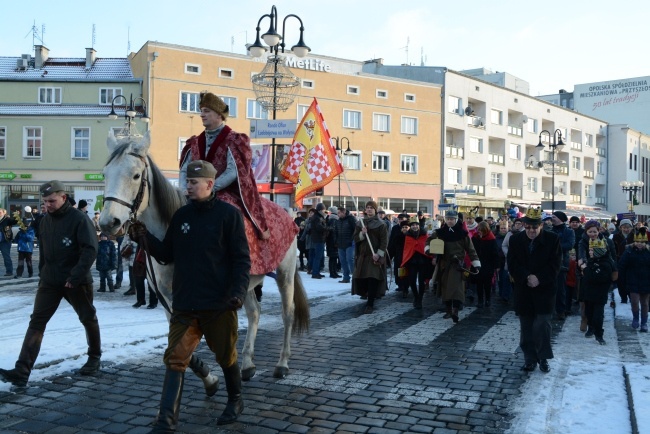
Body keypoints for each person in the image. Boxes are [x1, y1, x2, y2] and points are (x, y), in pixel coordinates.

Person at [130, 160, 250, 429]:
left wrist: (238, 292)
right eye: (187, 182)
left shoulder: (228, 216)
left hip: (218, 303)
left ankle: (235, 399)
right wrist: (144, 237)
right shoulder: (182, 217)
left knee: (226, 356)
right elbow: (167, 254)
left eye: (194, 183)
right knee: (175, 357)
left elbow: (242, 260)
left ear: (209, 184)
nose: (188, 187)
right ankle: (166, 420)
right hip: (185, 304)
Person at [0, 180, 100, 387]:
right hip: (50, 280)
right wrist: (43, 273)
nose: (48, 205)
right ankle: (22, 370)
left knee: (88, 318)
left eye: (52, 201)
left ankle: (94, 357)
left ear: (63, 198)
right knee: (36, 322)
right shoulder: (45, 220)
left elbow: (90, 249)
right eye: (45, 201)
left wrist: (75, 276)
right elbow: (44, 250)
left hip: (76, 281)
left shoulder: (79, 219)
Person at [179, 91, 269, 240]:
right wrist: (183, 189)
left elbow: (232, 171)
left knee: (231, 214)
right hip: (195, 191)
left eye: (206, 111)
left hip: (224, 191)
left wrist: (209, 189)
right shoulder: (194, 142)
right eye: (201, 111)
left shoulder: (234, 140)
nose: (202, 115)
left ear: (219, 115)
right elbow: (184, 170)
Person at [507, 207, 561, 374]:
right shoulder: (516, 240)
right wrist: (526, 277)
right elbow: (512, 264)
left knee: (542, 324)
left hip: (545, 289)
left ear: (541, 226)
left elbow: (555, 265)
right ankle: (529, 359)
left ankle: (543, 357)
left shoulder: (553, 239)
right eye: (528, 227)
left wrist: (539, 278)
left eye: (534, 228)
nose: (531, 231)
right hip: (524, 289)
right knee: (526, 326)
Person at [428, 209, 480, 323]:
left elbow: (471, 250)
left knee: (457, 288)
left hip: (458, 265)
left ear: (456, 220)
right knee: (445, 287)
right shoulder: (440, 232)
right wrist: (429, 250)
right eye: (448, 219)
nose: (450, 221)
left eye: (452, 219)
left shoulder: (463, 234)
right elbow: (429, 241)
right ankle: (448, 310)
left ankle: (455, 310)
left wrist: (476, 263)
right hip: (444, 264)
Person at [351, 201, 389, 314]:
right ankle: (366, 295)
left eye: (371, 208)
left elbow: (384, 241)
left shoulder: (381, 224)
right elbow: (355, 239)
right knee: (362, 278)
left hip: (374, 256)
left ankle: (370, 303)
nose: (369, 210)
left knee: (372, 279)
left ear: (375, 210)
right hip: (363, 256)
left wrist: (379, 254)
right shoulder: (360, 223)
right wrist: (362, 234)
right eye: (367, 208)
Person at [580, 238, 615, 344]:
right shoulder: (591, 261)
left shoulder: (606, 263)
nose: (589, 252)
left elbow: (596, 277)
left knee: (598, 316)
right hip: (589, 293)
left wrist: (585, 269)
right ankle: (591, 328)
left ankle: (599, 334)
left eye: (592, 250)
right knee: (589, 313)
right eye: (589, 250)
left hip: (600, 294)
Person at [619, 227, 650, 332]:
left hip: (646, 280)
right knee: (635, 301)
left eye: (642, 242)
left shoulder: (648, 252)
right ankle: (636, 318)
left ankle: (644, 322)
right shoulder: (629, 251)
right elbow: (622, 265)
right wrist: (622, 280)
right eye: (637, 241)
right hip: (633, 280)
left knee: (645, 302)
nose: (639, 244)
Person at [400, 217, 432, 309]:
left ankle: (420, 299)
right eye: (413, 225)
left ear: (419, 225)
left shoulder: (424, 234)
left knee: (421, 281)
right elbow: (407, 249)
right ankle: (416, 296)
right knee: (412, 281)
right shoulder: (408, 236)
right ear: (411, 226)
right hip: (412, 262)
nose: (415, 226)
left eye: (416, 225)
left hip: (422, 261)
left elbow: (425, 246)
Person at [549, 211, 575, 320]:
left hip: (562, 262)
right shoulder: (549, 230)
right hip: (549, 262)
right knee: (548, 288)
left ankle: (561, 310)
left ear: (560, 218)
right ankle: (548, 309)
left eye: (554, 217)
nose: (552, 218)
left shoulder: (569, 231)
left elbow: (570, 245)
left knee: (561, 289)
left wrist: (554, 247)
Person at [471, 221, 498, 307]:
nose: (480, 232)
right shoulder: (475, 238)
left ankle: (487, 299)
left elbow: (495, 253)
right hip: (478, 263)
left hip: (488, 264)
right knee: (479, 283)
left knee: (487, 284)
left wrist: (496, 266)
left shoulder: (491, 239)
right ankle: (480, 300)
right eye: (479, 230)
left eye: (482, 231)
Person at [387, 213, 411, 297]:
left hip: (408, 255)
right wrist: (390, 254)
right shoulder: (395, 228)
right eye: (399, 219)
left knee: (406, 272)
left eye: (402, 219)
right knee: (399, 271)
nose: (400, 220)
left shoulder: (410, 229)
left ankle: (405, 287)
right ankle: (400, 285)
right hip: (398, 254)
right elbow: (392, 241)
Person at [611, 218, 634, 303]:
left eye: (628, 227)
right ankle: (623, 297)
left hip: (632, 262)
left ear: (631, 227)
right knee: (621, 281)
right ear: (620, 227)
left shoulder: (635, 235)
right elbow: (613, 249)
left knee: (631, 280)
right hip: (620, 261)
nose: (626, 229)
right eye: (624, 227)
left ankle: (632, 297)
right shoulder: (616, 236)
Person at [335, 207, 357, 284]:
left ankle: (355, 277)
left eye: (339, 213)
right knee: (343, 261)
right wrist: (336, 241)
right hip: (340, 244)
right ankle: (346, 277)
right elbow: (336, 232)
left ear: (344, 212)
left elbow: (356, 230)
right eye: (337, 213)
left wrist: (352, 239)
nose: (338, 214)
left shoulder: (350, 219)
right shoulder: (338, 221)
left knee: (350, 260)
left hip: (349, 243)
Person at [309, 203, 328, 279]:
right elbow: (319, 227)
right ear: (320, 210)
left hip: (318, 239)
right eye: (323, 210)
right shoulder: (317, 217)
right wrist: (327, 228)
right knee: (318, 256)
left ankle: (317, 272)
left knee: (318, 256)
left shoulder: (317, 217)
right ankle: (315, 273)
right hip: (319, 239)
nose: (324, 211)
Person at [0, 208, 17, 276]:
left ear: (4, 213)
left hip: (5, 241)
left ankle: (9, 271)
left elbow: (14, 222)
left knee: (6, 257)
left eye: (0, 212)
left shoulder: (7, 219)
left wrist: (16, 217)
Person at [326, 206, 341, 278]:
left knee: (332, 258)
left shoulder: (329, 219)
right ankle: (333, 272)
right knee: (333, 258)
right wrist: (336, 242)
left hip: (330, 242)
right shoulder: (334, 220)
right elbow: (334, 233)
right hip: (333, 243)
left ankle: (333, 272)